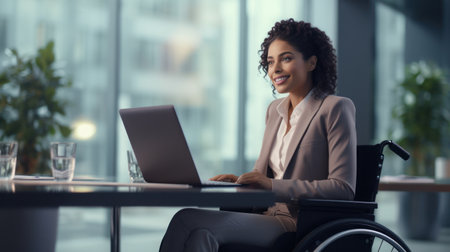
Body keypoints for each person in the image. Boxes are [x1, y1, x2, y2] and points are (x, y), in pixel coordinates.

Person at [159, 18, 357, 252]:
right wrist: (240, 182)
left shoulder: (334, 108)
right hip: (266, 214)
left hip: (301, 222)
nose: (275, 69)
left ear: (312, 62)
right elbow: (262, 176)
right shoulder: (275, 111)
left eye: (286, 58)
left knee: (186, 219)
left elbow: (343, 189)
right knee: (200, 236)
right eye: (271, 62)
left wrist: (273, 185)